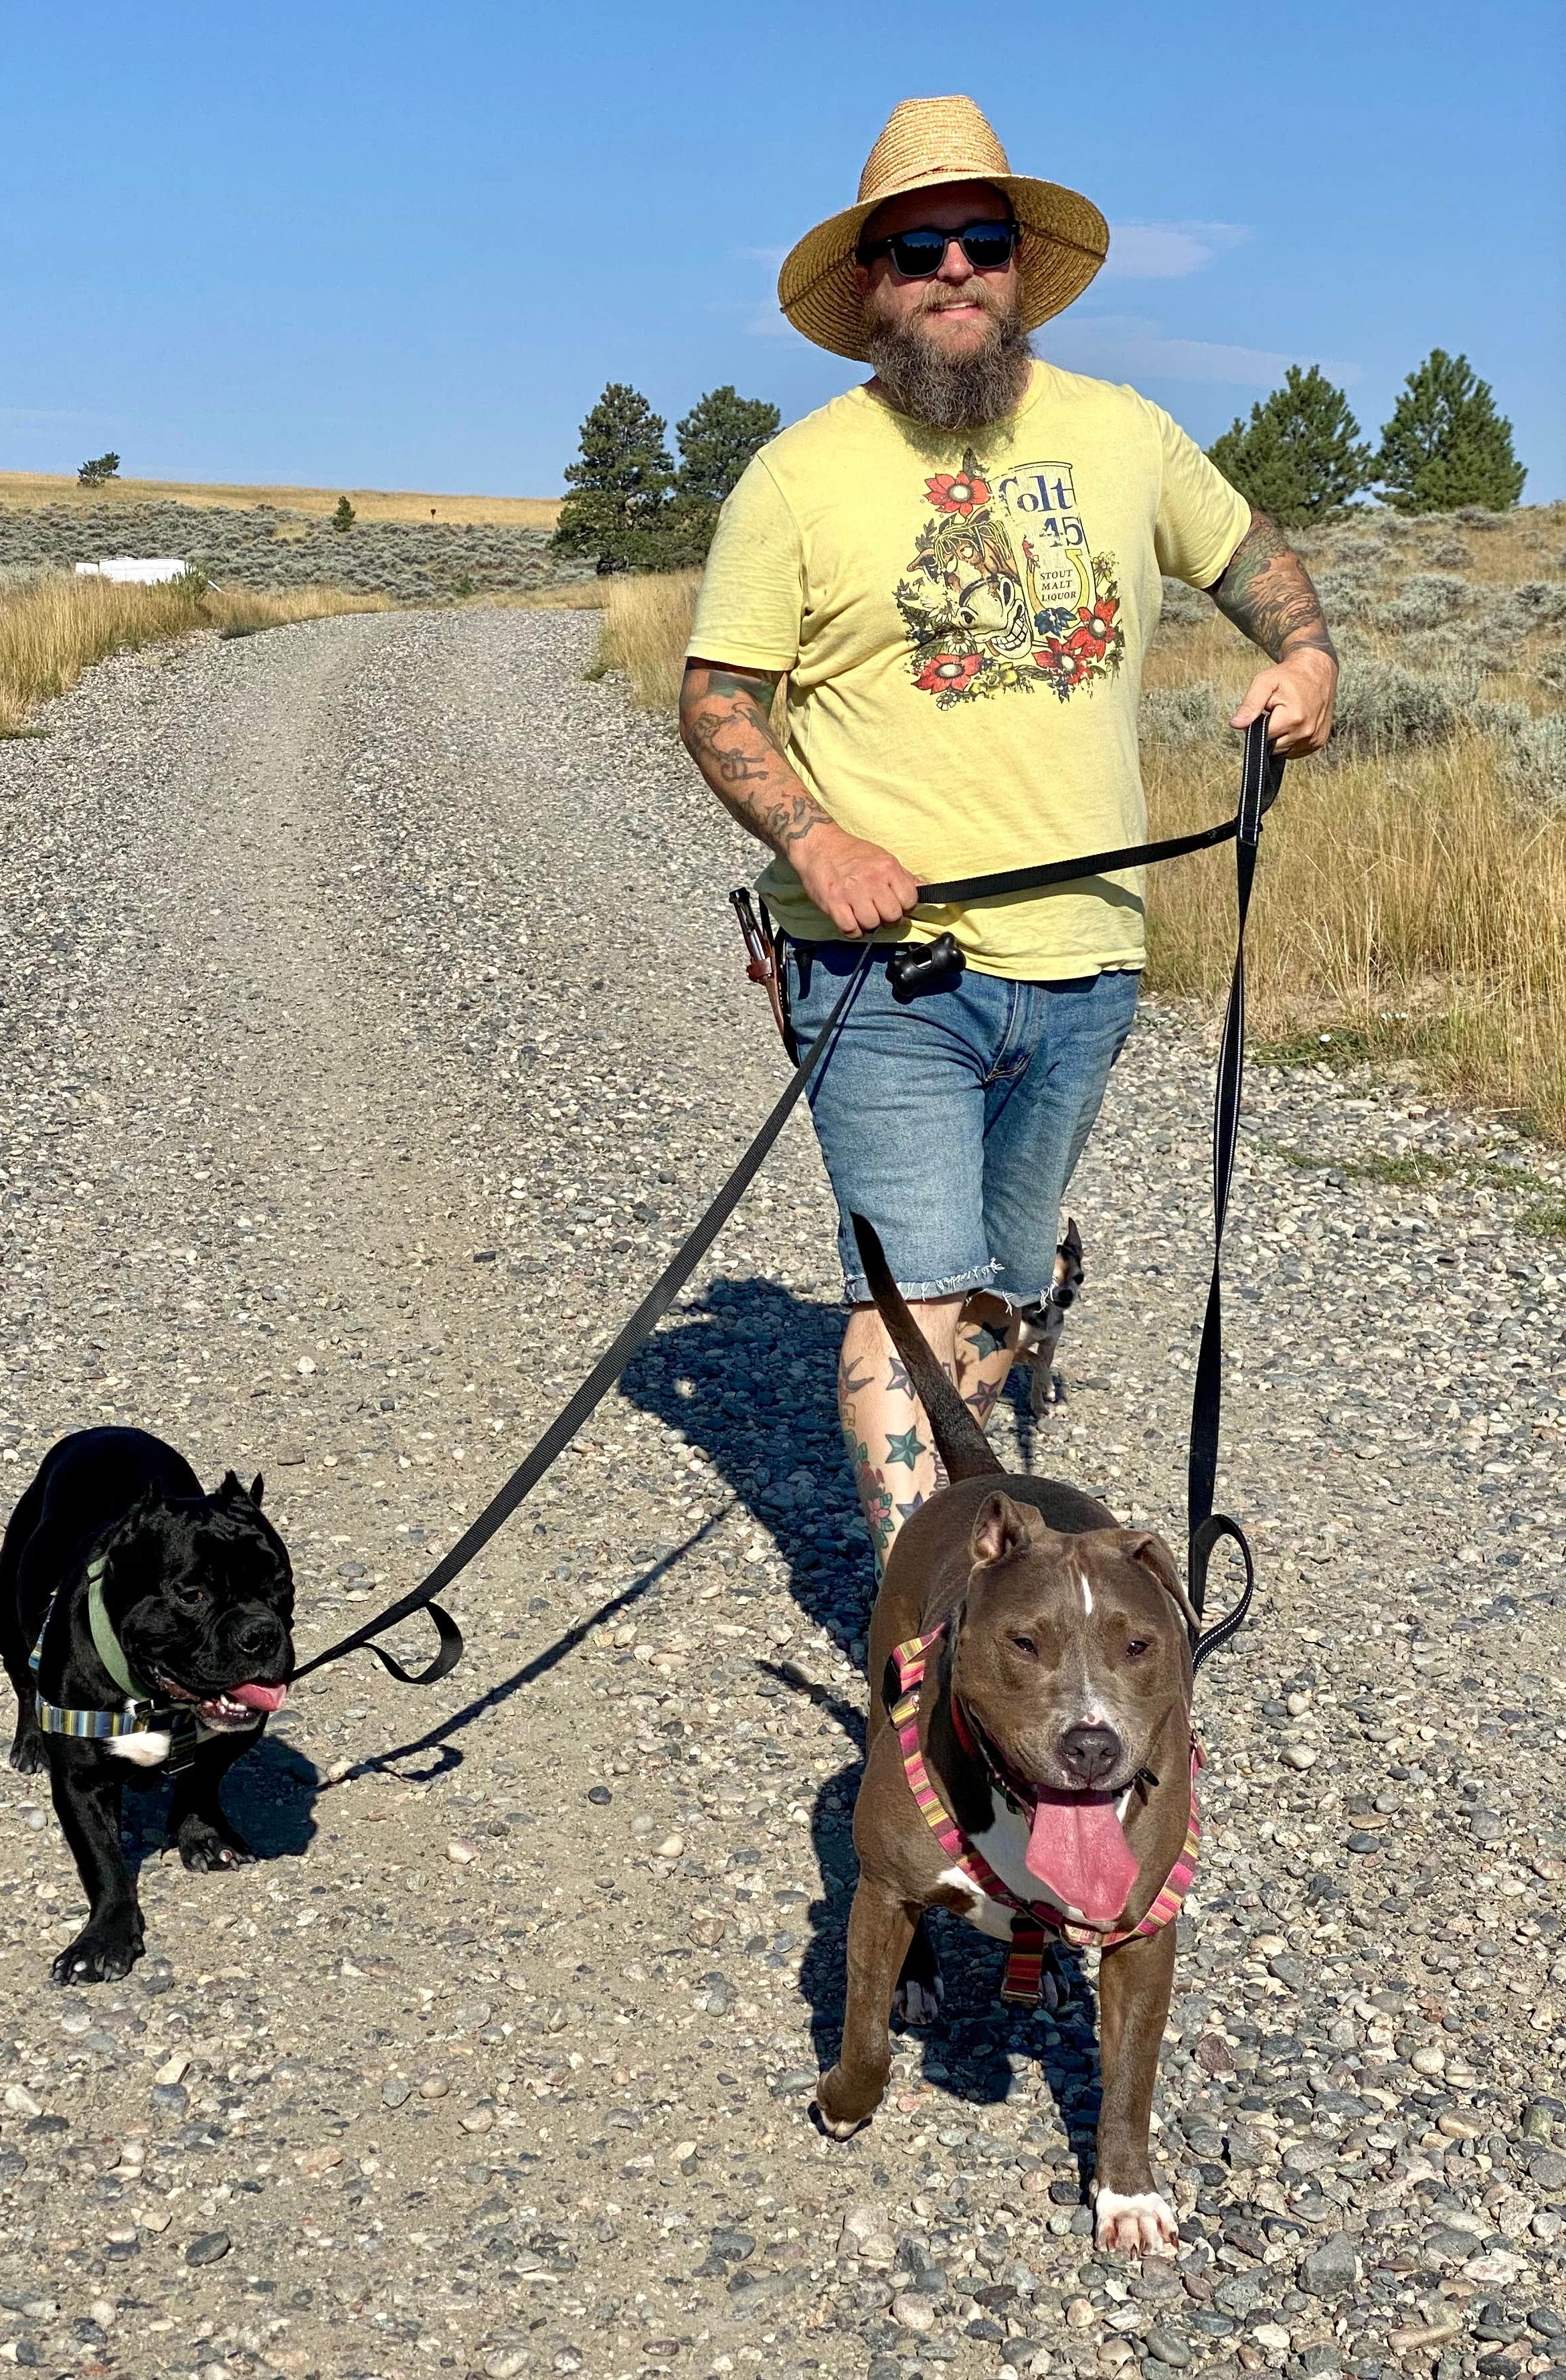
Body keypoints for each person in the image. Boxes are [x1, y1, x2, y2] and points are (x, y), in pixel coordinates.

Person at [679, 95, 1335, 1566]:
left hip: (1091, 960)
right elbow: (718, 701)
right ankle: (935, 1641)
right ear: (871, 289)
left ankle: (980, 1553)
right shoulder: (799, 476)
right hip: (884, 969)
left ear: (1022, 268)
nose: (956, 270)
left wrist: (1308, 661)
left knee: (997, 1292)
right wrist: (815, 841)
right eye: (920, 249)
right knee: (912, 1303)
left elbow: (1256, 560)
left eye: (983, 242)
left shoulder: (1125, 435)